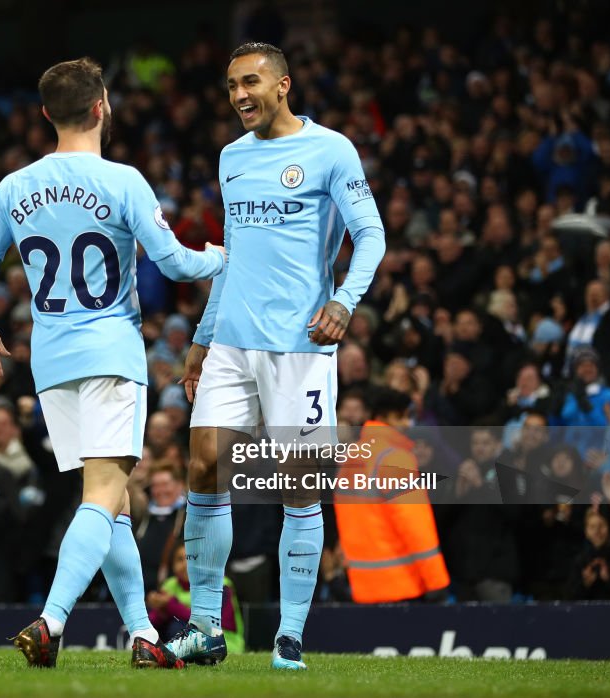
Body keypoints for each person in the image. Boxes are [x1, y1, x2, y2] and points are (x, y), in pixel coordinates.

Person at [0, 57, 225, 670]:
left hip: (51, 361)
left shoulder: (14, 187)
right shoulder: (123, 181)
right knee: (105, 494)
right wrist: (221, 258)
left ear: (47, 113)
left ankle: (142, 635)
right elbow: (178, 265)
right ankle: (50, 622)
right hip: (109, 352)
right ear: (103, 105)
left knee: (113, 505)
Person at [168, 42, 385, 670]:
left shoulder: (331, 150)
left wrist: (345, 300)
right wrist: (203, 338)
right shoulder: (231, 159)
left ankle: (289, 637)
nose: (240, 95)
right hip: (232, 342)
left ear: (284, 84)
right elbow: (232, 254)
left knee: (299, 491)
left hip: (300, 346)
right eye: (232, 85)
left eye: (252, 82)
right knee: (204, 471)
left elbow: (370, 233)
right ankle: (206, 629)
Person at [334, 388, 450, 603]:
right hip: (401, 584)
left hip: (361, 585)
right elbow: (414, 523)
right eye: (401, 416)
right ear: (383, 417)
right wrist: (436, 581)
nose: (407, 423)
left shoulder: (353, 457)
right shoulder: (395, 458)